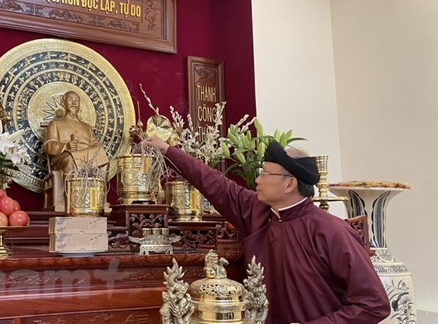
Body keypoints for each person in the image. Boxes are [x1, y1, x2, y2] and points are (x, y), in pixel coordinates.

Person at [142, 135, 390, 324]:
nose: (258, 180)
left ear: (290, 183)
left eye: (265, 173)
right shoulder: (257, 211)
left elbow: (373, 304)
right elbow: (212, 181)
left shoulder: (333, 232)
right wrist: (167, 150)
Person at [42, 91, 109, 175]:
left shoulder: (87, 127)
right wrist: (65, 146)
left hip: (86, 158)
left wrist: (98, 150)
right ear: (63, 103)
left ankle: (99, 187)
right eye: (70, 99)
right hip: (64, 158)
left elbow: (95, 145)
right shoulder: (55, 124)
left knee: (103, 158)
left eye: (77, 100)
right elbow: (48, 145)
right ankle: (73, 187)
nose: (74, 102)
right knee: (70, 159)